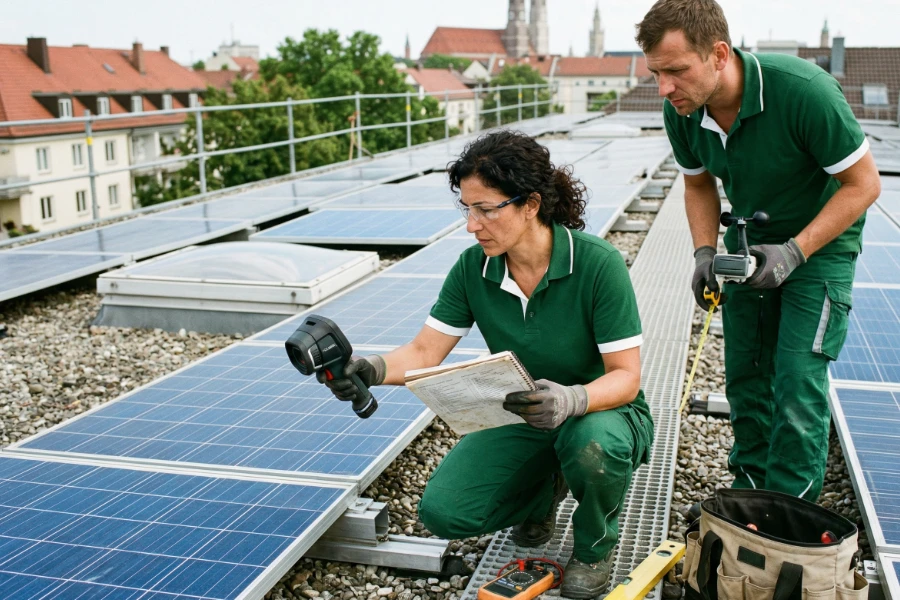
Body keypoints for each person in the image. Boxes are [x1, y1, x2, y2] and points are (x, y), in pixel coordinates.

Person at [318, 130, 654, 597]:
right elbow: (423, 354)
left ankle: (593, 548)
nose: (472, 224)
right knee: (445, 512)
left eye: (486, 209)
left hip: (602, 412)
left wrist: (573, 398)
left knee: (591, 447)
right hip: (522, 412)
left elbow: (627, 378)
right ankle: (545, 491)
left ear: (530, 204)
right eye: (467, 208)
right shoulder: (473, 269)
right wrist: (369, 368)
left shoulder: (597, 265)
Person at [636, 0, 881, 501]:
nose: (664, 88)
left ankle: (790, 511)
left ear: (719, 54)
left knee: (796, 380)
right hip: (748, 245)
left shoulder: (804, 94)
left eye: (677, 71)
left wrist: (794, 252)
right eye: (656, 73)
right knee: (746, 375)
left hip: (820, 247)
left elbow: (863, 185)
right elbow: (699, 185)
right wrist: (704, 252)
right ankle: (750, 488)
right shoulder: (680, 110)